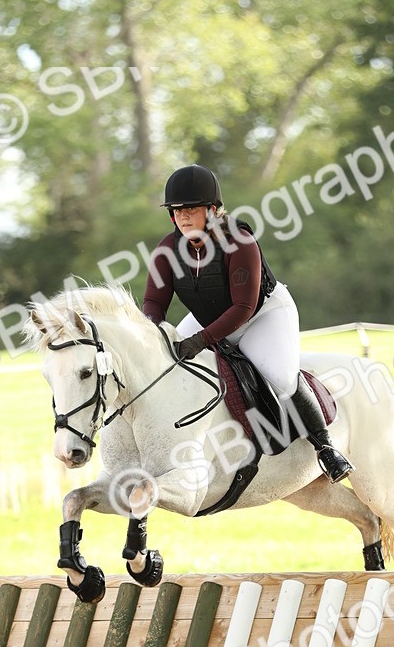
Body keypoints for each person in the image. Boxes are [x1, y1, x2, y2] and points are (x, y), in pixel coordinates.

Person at [142, 163, 354, 483]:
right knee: (165, 365)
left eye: (191, 209)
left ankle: (326, 448)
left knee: (281, 378)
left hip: (261, 315)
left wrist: (200, 340)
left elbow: (243, 307)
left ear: (212, 211)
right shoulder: (166, 252)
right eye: (177, 210)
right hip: (210, 317)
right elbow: (154, 303)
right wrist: (151, 334)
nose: (182, 216)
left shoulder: (240, 242)